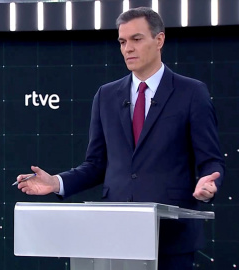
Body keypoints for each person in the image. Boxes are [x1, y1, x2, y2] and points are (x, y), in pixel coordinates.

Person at [16, 7, 224, 270]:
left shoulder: (192, 93)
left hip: (172, 238)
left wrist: (210, 183)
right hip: (115, 236)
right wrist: (56, 183)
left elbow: (211, 160)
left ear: (159, 40)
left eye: (136, 39)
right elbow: (95, 165)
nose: (128, 48)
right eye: (123, 42)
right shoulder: (106, 95)